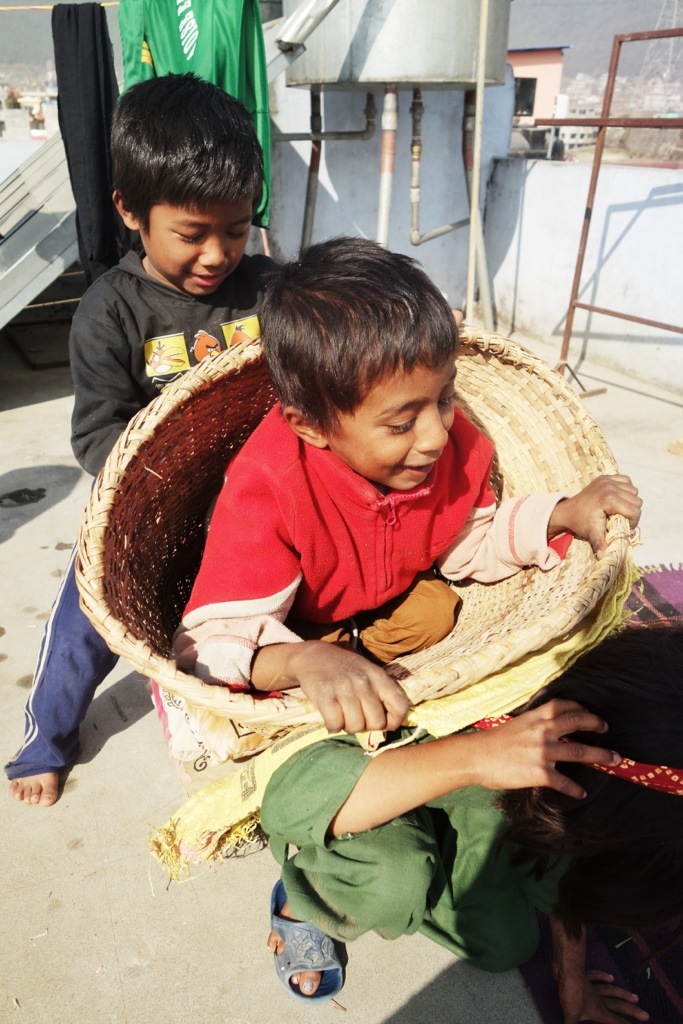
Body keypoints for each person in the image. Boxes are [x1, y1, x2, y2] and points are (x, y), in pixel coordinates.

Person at [173, 236, 641, 753]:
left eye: (444, 398)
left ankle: (352, 657)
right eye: (400, 424)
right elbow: (207, 646)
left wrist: (564, 513)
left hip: (376, 605)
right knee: (254, 671)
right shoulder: (269, 488)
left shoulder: (452, 449)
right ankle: (329, 660)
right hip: (287, 621)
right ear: (311, 427)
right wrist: (304, 660)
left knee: (434, 611)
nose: (437, 436)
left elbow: (472, 542)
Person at [6, 73, 276, 806]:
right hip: (144, 506)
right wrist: (171, 480)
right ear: (130, 209)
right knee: (89, 611)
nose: (217, 254)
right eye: (192, 234)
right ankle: (47, 735)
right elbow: (97, 434)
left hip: (255, 501)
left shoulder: (269, 291)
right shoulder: (108, 312)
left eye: (236, 229)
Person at [262, 624, 683, 1021]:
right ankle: (303, 898)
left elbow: (564, 858)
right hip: (349, 777)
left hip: (466, 810)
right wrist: (477, 756)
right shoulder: (481, 687)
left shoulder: (576, 766)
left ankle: (399, 878)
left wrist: (569, 974)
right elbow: (286, 803)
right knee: (395, 876)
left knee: (506, 946)